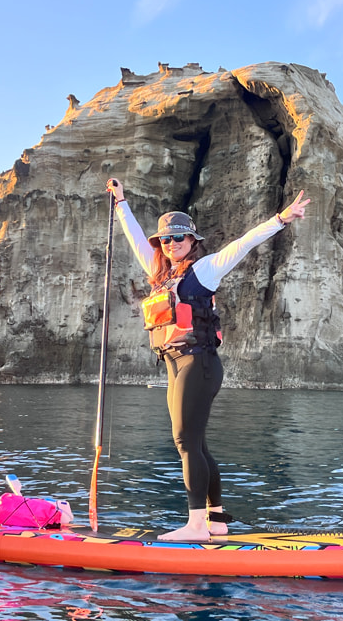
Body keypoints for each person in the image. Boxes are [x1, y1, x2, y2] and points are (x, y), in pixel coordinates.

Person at [106, 178, 311, 542]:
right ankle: (216, 520)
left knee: (185, 440)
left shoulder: (206, 270)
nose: (172, 245)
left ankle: (196, 525)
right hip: (176, 365)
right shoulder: (160, 276)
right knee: (195, 444)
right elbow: (137, 240)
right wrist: (121, 202)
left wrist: (282, 218)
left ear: (193, 242)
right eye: (166, 240)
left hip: (197, 364)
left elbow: (244, 243)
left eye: (179, 238)